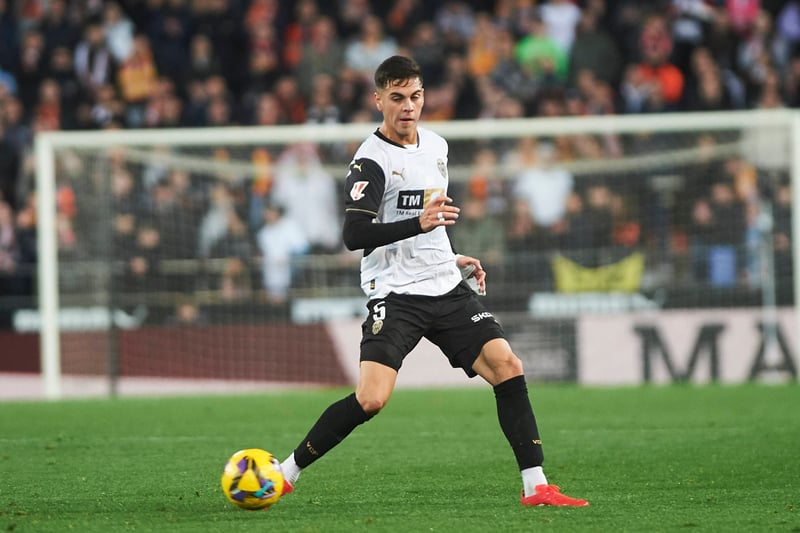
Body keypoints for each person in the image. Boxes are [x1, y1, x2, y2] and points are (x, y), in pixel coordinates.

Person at [278, 55, 588, 507]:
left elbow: (432, 222)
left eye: (415, 96)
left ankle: (535, 486)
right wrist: (418, 225)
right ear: (378, 100)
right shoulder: (371, 161)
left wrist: (450, 256)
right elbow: (354, 235)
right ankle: (285, 472)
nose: (408, 106)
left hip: (444, 283)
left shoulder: (437, 146)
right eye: (397, 97)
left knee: (507, 365)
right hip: (396, 293)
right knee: (371, 399)